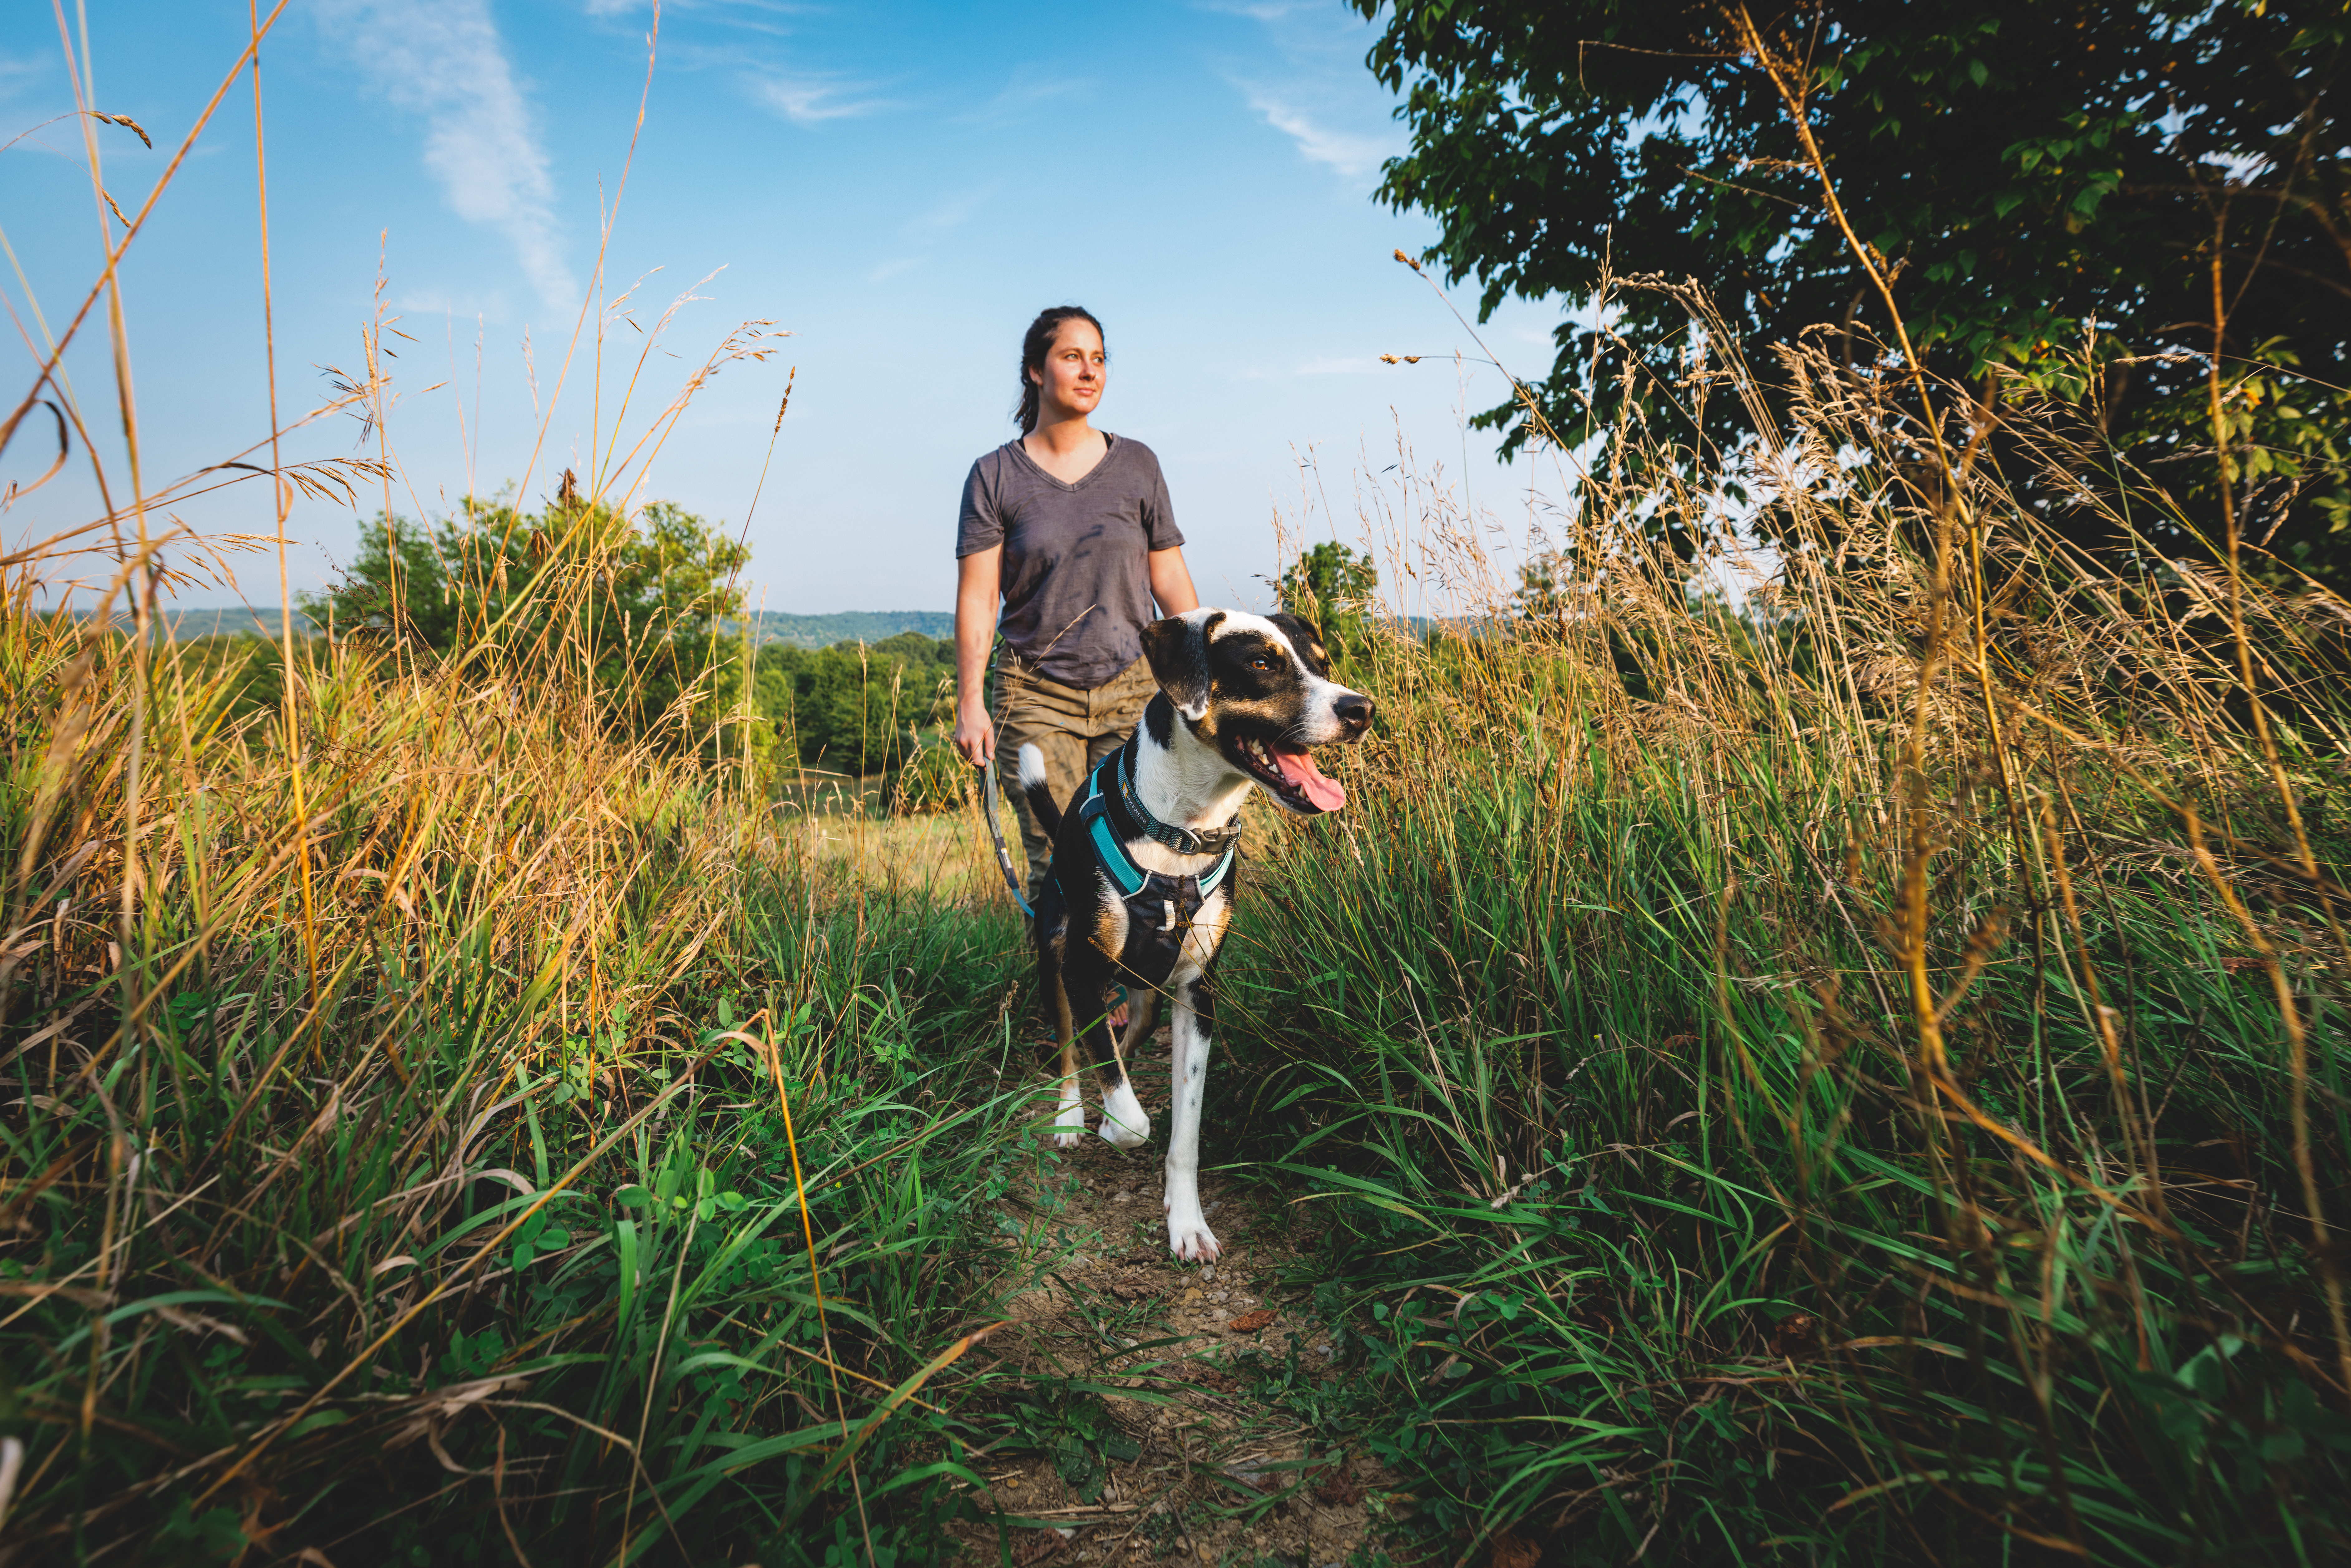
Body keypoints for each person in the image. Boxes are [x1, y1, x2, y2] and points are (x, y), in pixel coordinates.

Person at [953, 305, 1200, 909]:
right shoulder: (994, 477)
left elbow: (1166, 574)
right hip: (1035, 693)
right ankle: (1070, 1001)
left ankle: (1125, 990)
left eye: (1098, 359)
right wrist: (969, 703)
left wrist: (1198, 673)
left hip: (1132, 689)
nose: (1089, 371)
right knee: (1057, 856)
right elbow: (980, 596)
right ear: (1036, 371)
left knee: (1135, 850)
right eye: (1072, 357)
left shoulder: (1137, 464)